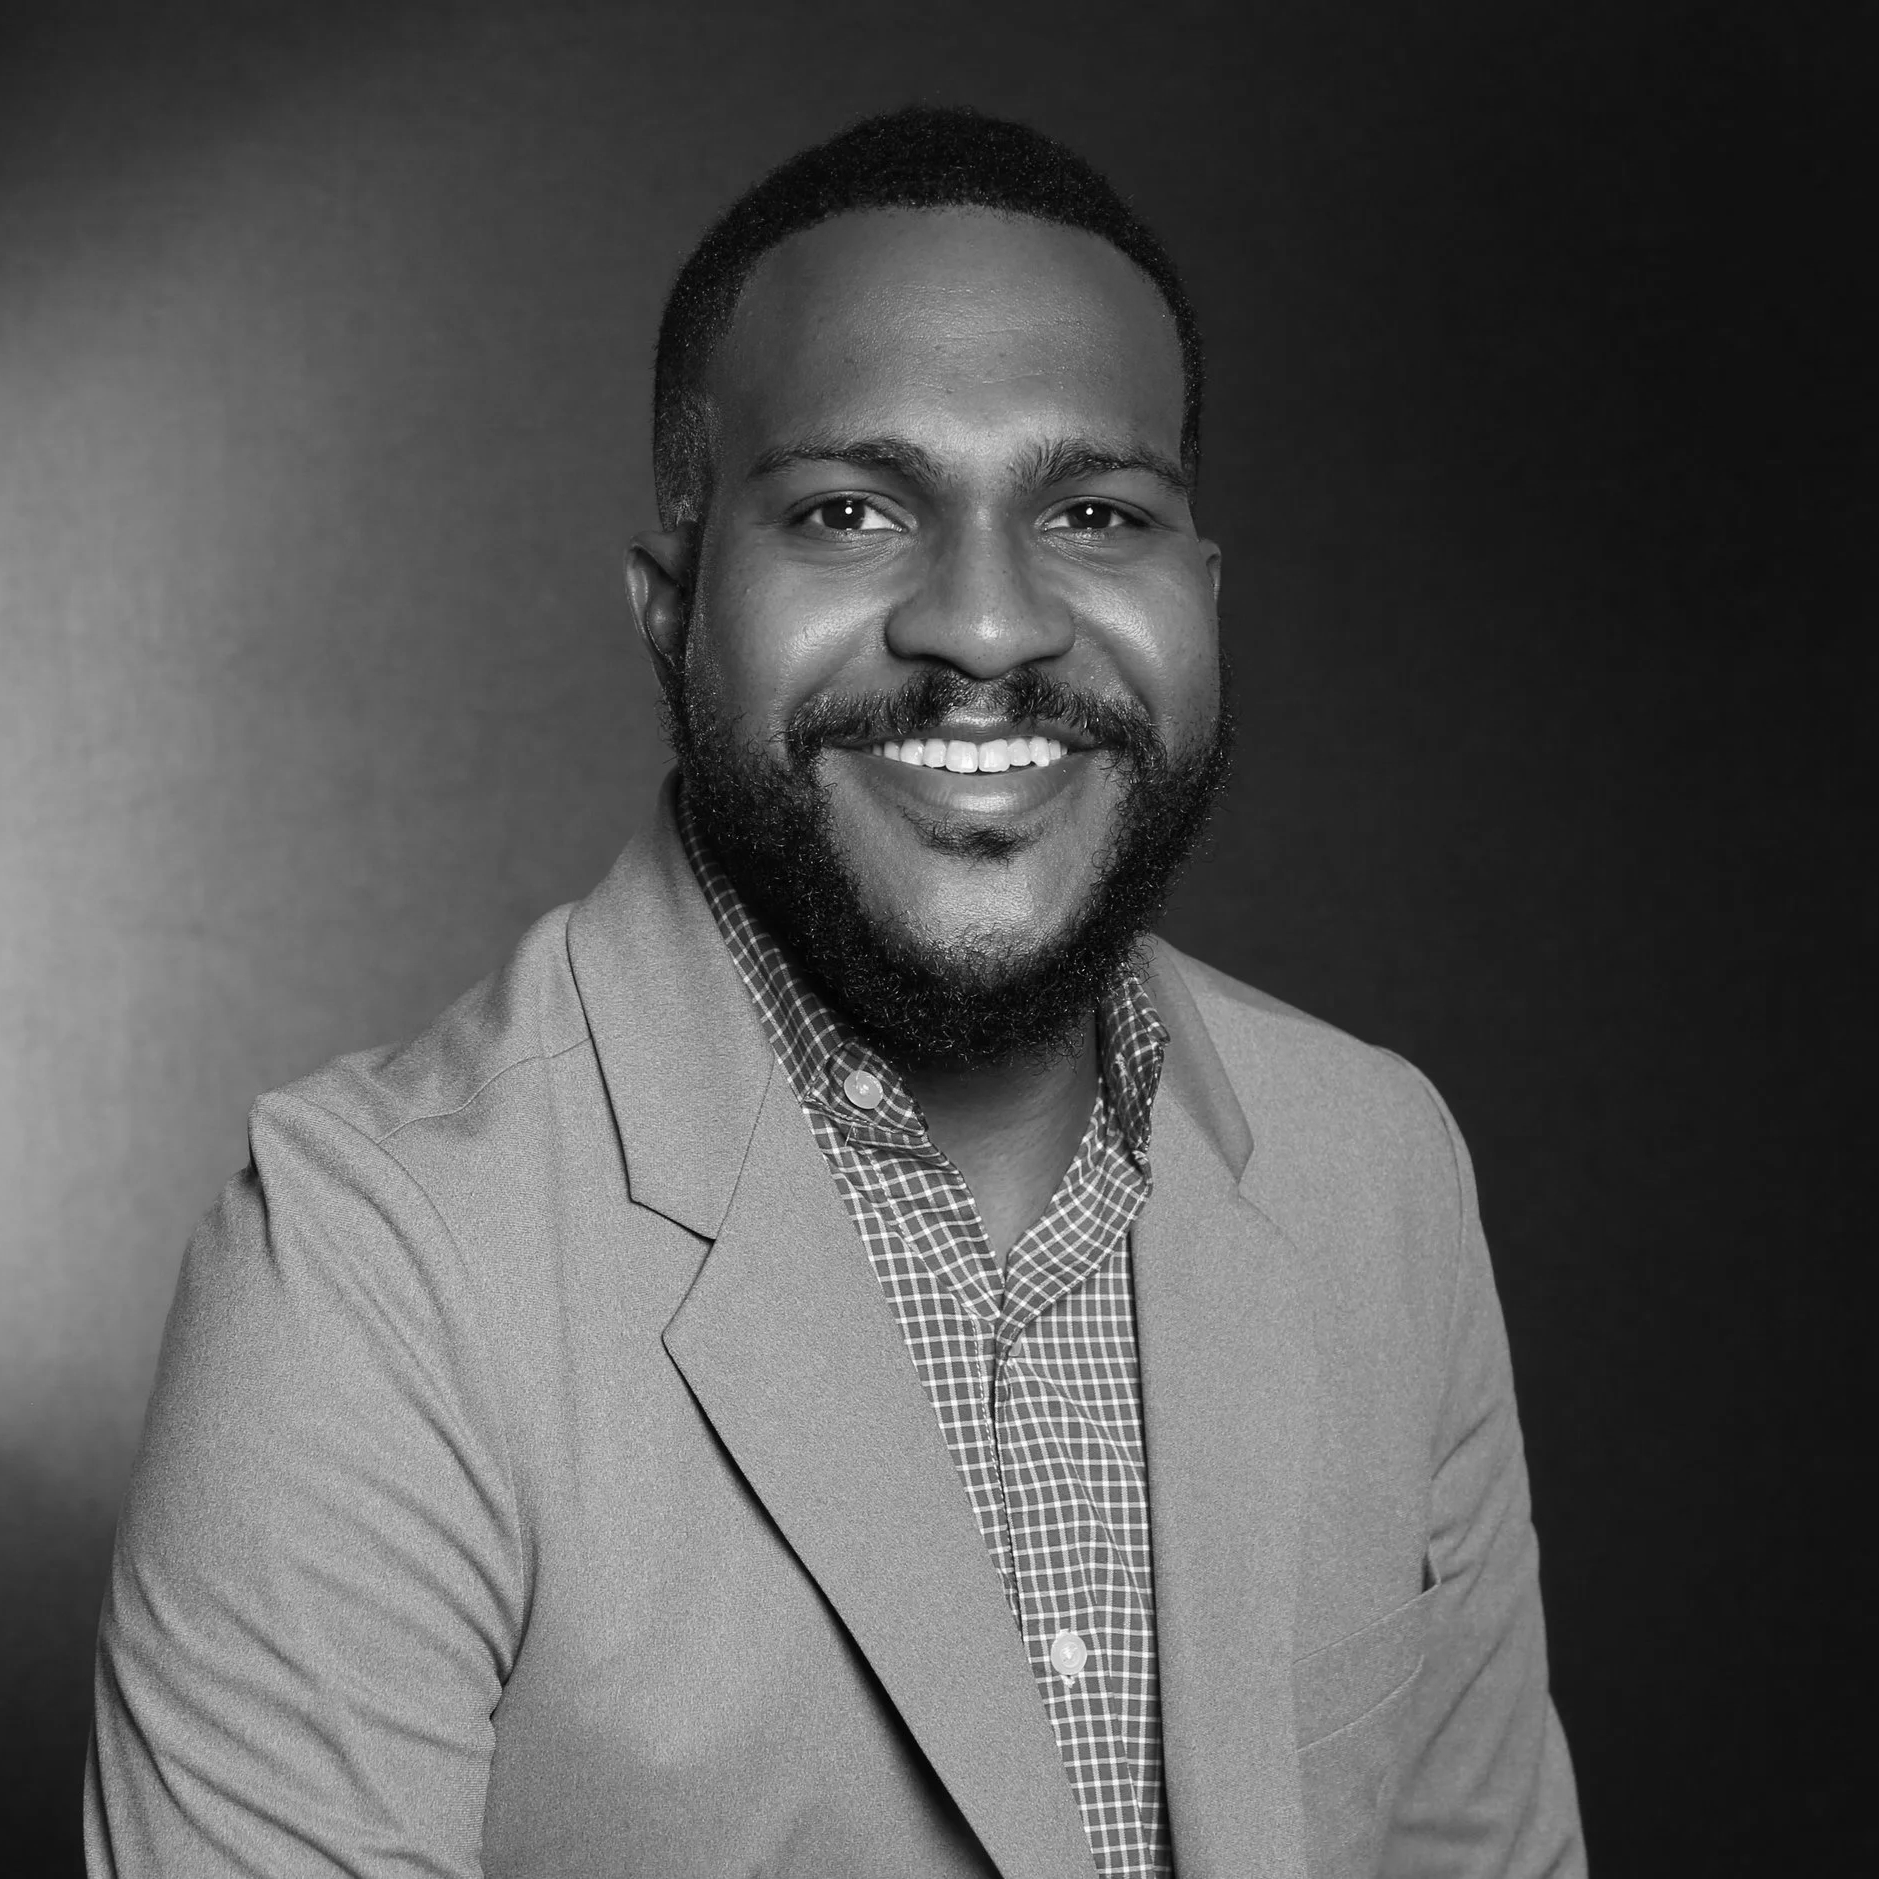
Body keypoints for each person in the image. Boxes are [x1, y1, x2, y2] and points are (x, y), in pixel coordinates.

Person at [85, 107, 1584, 1879]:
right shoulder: (366, 1269)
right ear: (673, 609)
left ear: (1200, 594)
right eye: (851, 510)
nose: (985, 625)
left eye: (1094, 510)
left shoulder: (1376, 1164)